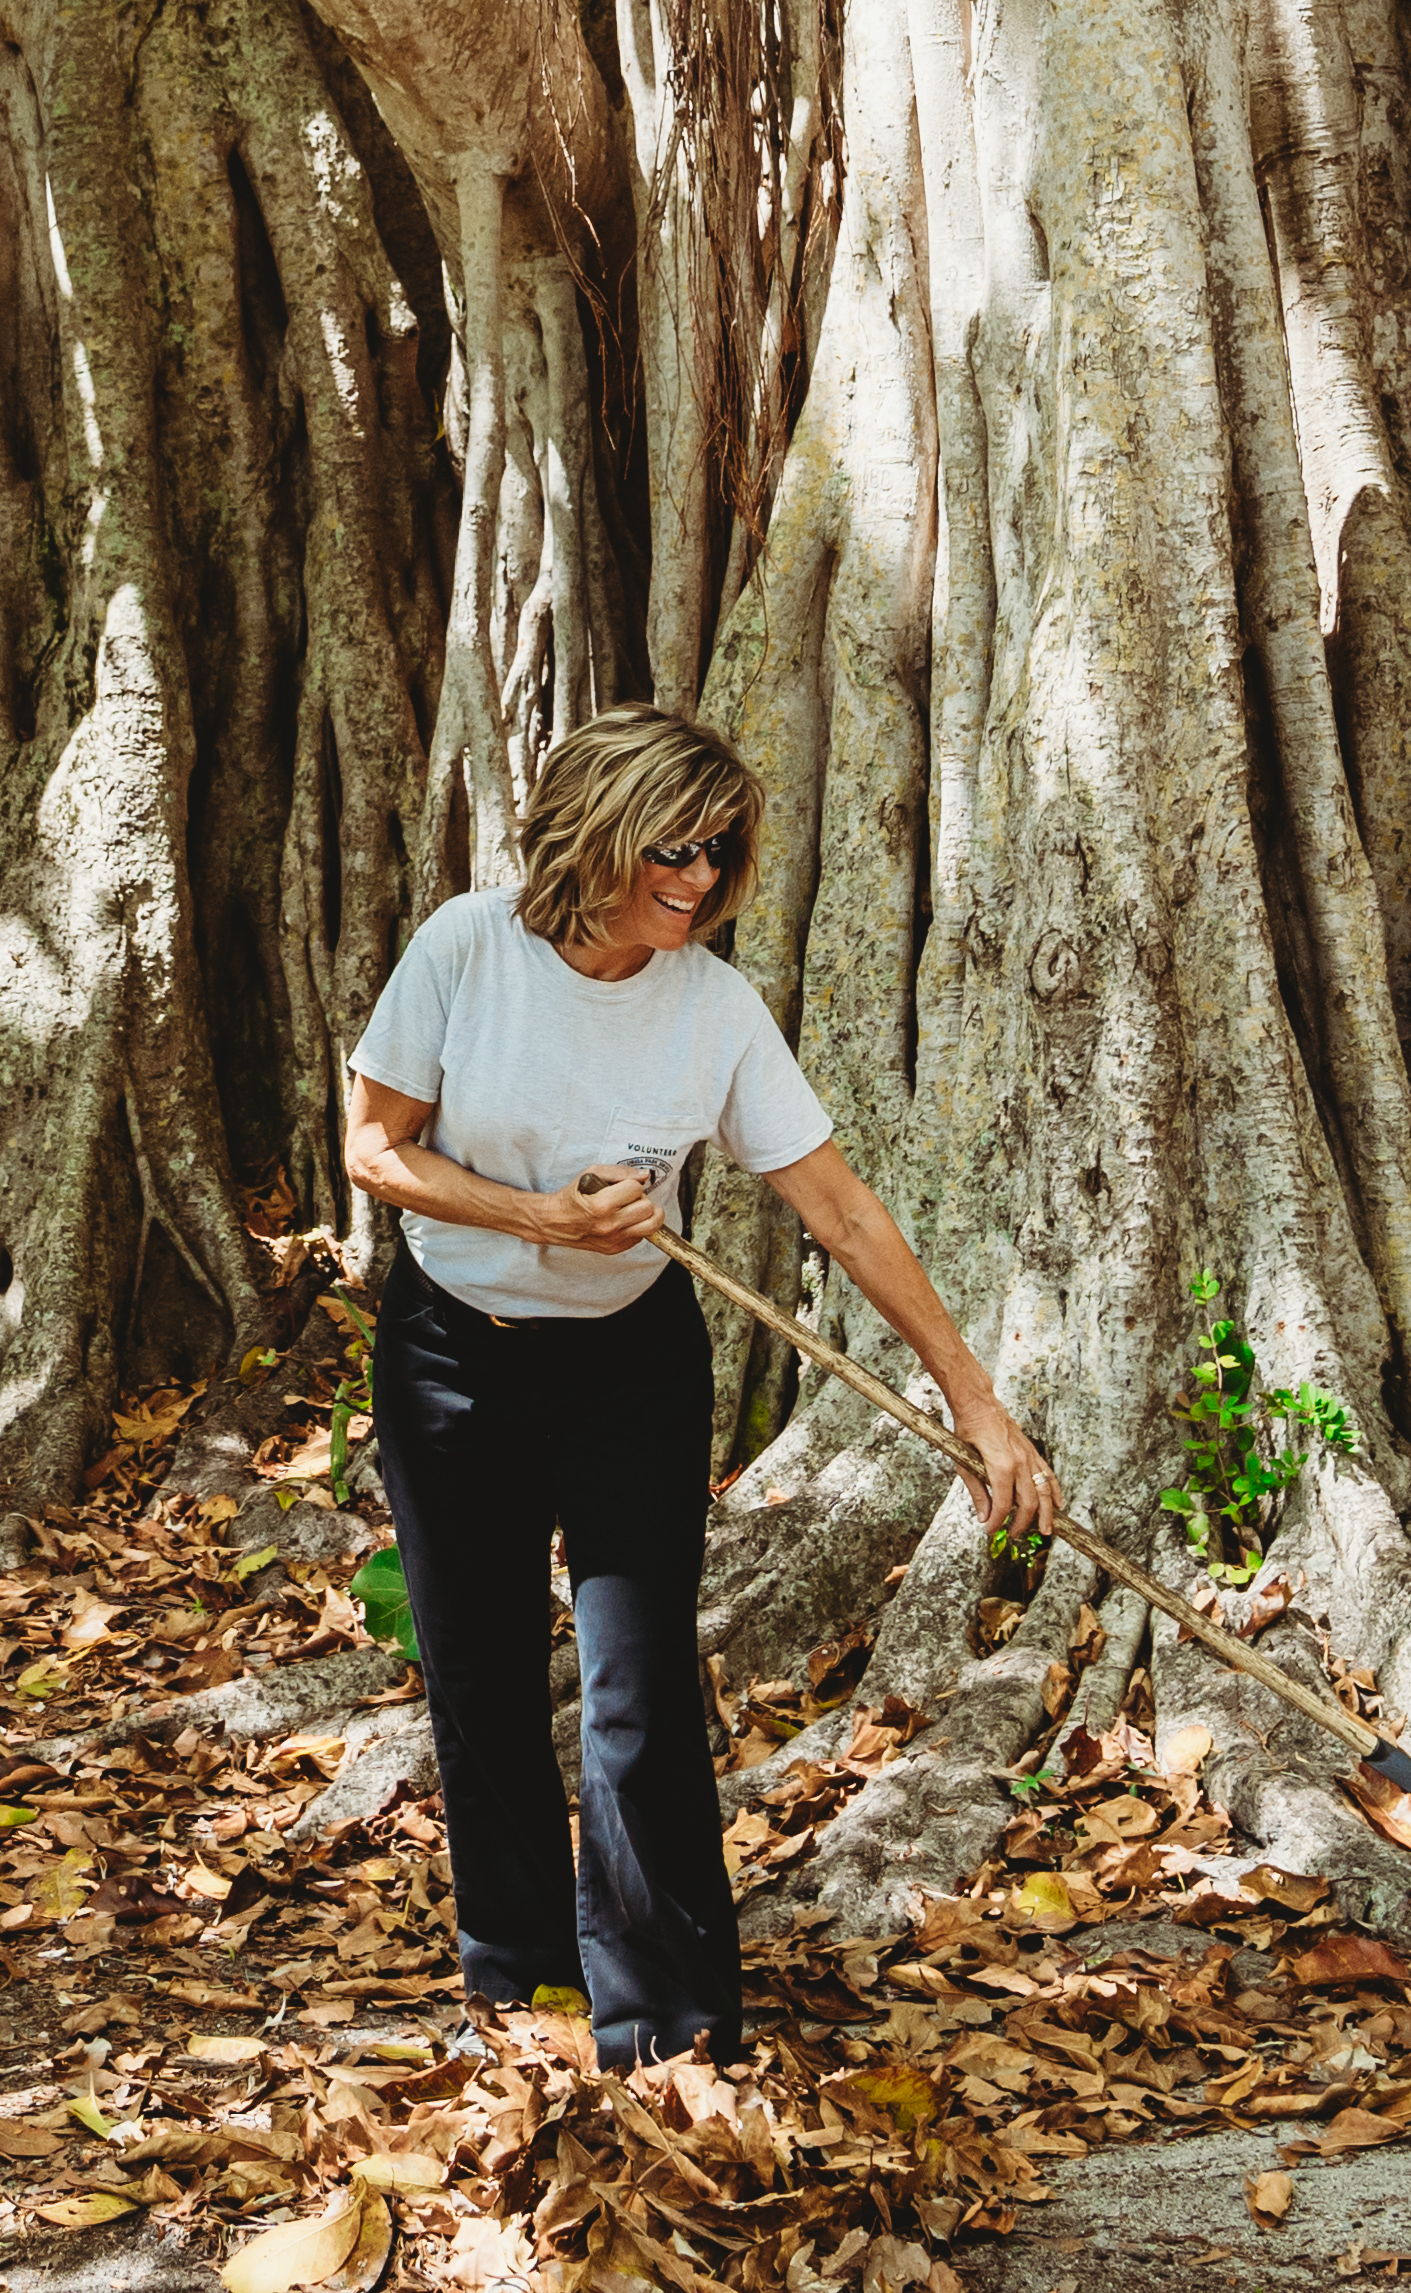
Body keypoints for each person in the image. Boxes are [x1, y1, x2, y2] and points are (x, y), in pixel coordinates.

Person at [339, 704, 1059, 2073]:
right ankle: (519, 1973)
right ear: (593, 832)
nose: (698, 877)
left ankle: (668, 2015)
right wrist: (542, 1220)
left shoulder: (713, 1006)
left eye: (720, 851)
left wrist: (974, 1400)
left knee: (640, 1685)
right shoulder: (465, 950)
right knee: (481, 1675)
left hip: (629, 1365)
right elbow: (376, 1152)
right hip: (455, 1356)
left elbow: (842, 1213)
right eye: (672, 845)